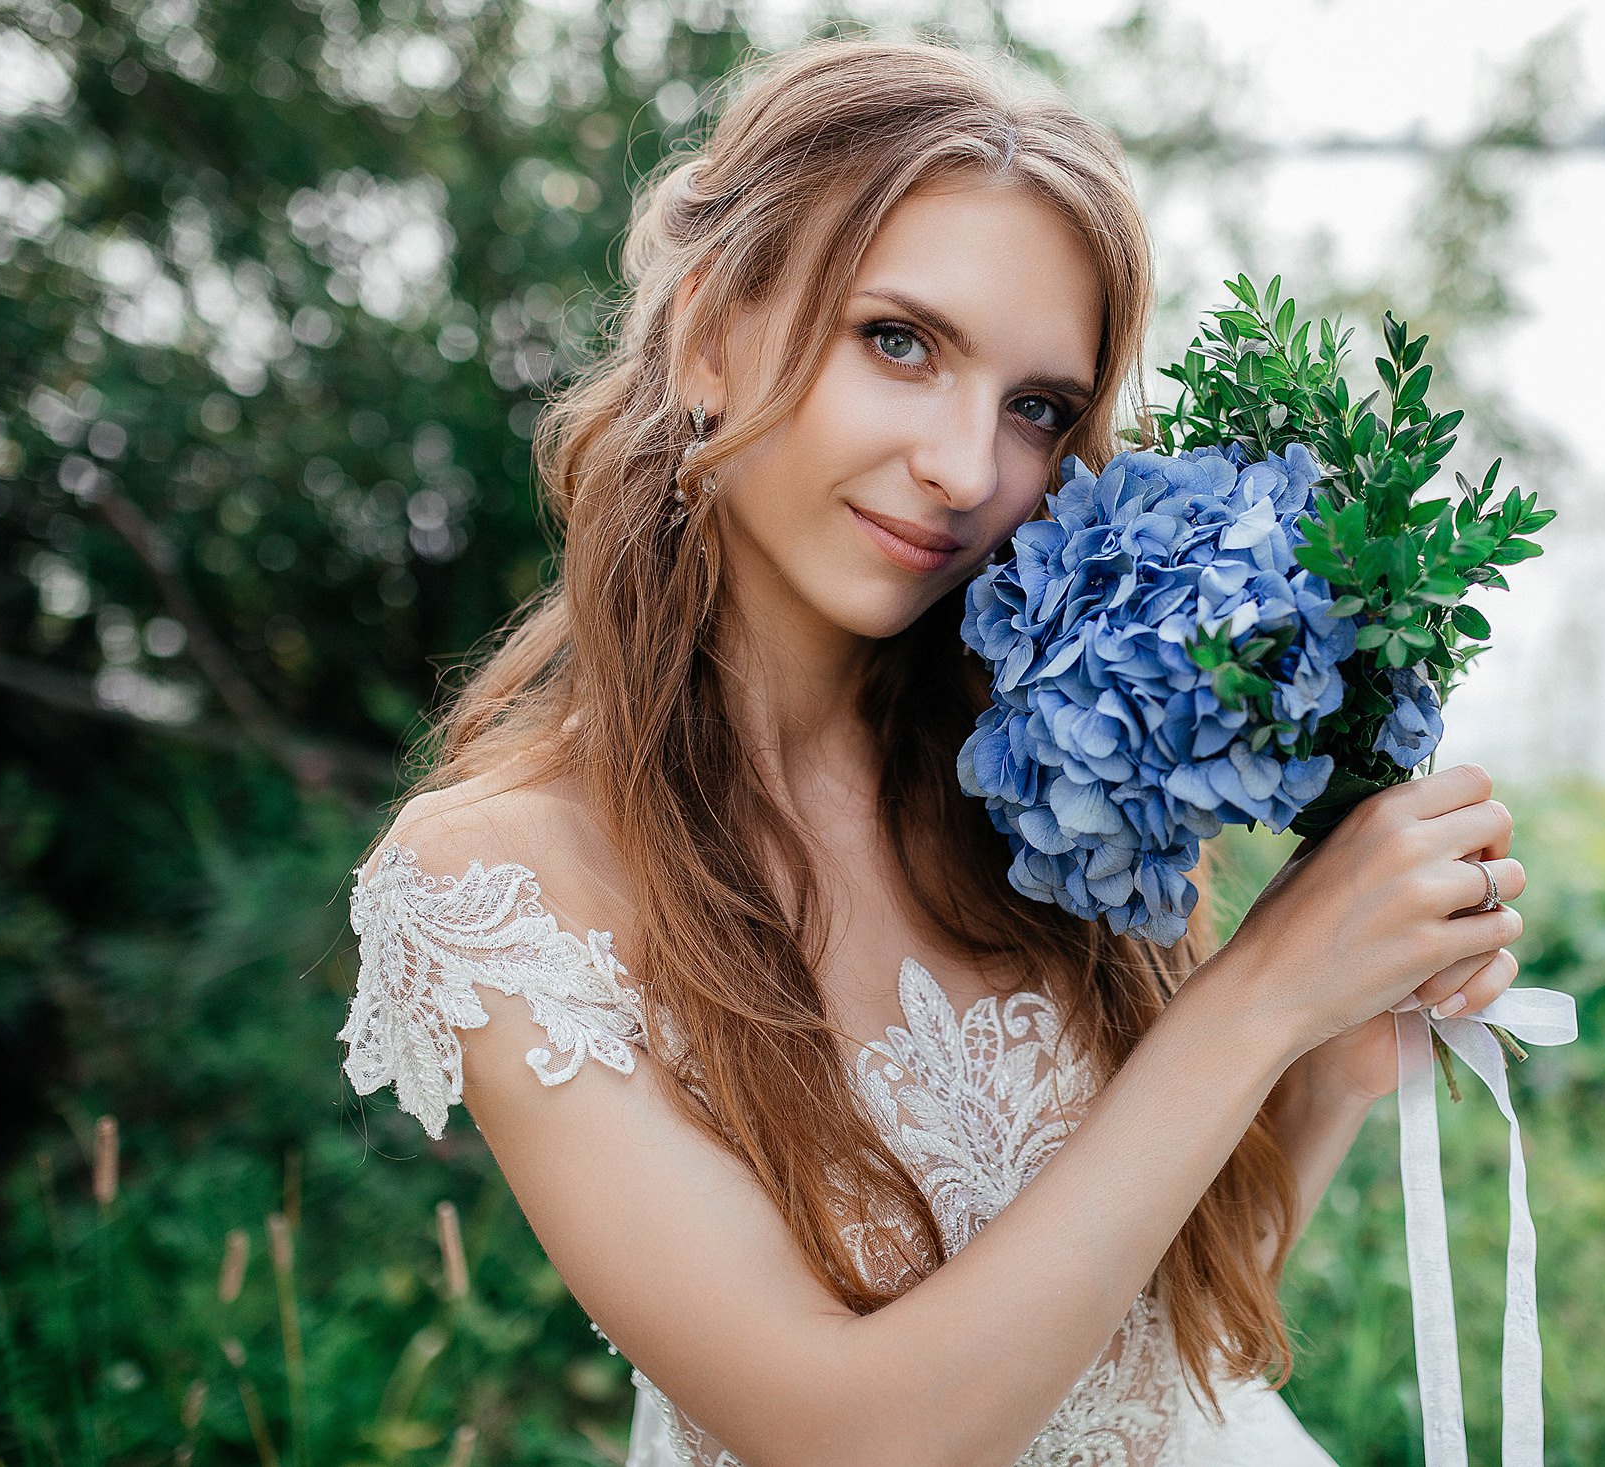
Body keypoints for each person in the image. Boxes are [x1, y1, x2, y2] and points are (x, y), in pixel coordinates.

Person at [337, 38, 1527, 1467]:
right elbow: (856, 1440)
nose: (969, 472)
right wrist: (1265, 994)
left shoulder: (1041, 782)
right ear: (710, 333)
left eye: (1036, 407)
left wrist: (1342, 1044)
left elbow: (1165, 1348)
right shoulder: (499, 883)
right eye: (900, 341)